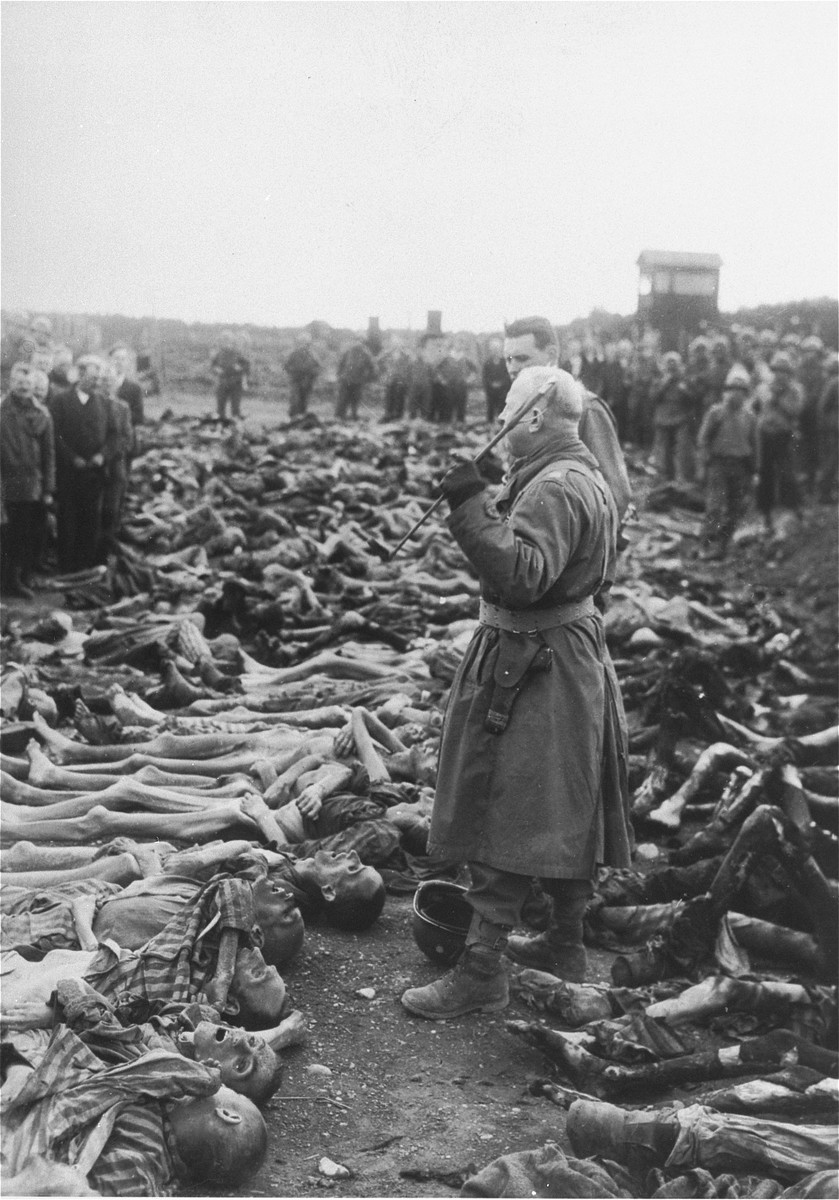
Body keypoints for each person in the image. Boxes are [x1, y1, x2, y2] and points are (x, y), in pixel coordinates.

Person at [400, 366, 632, 1021]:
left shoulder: (554, 488)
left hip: (537, 661)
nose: (497, 423)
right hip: (562, 656)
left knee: (509, 807)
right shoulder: (577, 473)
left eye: (505, 409)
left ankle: (480, 972)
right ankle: (565, 947)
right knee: (566, 803)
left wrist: (469, 503)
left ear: (532, 416)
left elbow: (523, 576)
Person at [500, 316, 632, 522]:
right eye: (508, 359)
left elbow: (616, 496)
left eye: (522, 358)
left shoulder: (586, 408)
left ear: (551, 354)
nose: (512, 368)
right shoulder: (521, 405)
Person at [50, 355, 114, 572]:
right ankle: (66, 569)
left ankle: (84, 568)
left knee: (90, 523)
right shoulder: (60, 401)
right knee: (68, 522)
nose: (96, 383)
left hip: (93, 476)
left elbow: (114, 435)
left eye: (98, 379)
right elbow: (55, 435)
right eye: (92, 377)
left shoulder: (104, 403)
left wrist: (102, 455)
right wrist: (72, 458)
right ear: (79, 375)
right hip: (68, 475)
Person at [0, 363, 55, 598]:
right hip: (6, 485)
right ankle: (7, 581)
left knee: (27, 534)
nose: (23, 387)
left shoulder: (42, 414)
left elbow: (48, 454)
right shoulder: (1, 412)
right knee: (6, 536)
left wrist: (48, 489)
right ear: (11, 383)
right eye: (19, 382)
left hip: (33, 485)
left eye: (28, 383)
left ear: (34, 386)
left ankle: (19, 579)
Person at [696, 365, 758, 560]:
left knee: (735, 508)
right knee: (714, 506)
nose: (735, 395)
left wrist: (755, 471)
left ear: (746, 394)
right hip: (719, 464)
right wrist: (705, 461)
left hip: (740, 466)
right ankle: (706, 545)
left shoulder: (750, 417)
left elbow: (754, 446)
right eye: (732, 390)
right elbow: (703, 439)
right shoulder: (716, 413)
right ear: (726, 391)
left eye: (740, 391)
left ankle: (723, 546)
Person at [755, 350, 805, 533]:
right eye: (777, 370)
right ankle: (766, 514)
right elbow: (756, 408)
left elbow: (796, 411)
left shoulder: (795, 390)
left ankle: (794, 508)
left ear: (789, 373)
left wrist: (779, 400)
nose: (780, 374)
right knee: (765, 473)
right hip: (765, 435)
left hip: (784, 435)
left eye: (784, 371)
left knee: (787, 473)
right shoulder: (763, 388)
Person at [97, 364, 134, 554]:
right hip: (94, 466)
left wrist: (111, 454)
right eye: (103, 380)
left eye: (110, 381)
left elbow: (127, 438)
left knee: (113, 510)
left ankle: (108, 549)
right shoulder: (91, 405)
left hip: (115, 466)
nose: (106, 385)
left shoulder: (122, 407)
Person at [650, 351, 692, 483]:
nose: (672, 366)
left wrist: (684, 390)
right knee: (663, 452)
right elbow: (653, 397)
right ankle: (663, 478)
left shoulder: (685, 380)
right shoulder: (659, 380)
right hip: (663, 419)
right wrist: (665, 383)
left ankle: (680, 478)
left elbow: (692, 398)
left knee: (680, 451)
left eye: (675, 362)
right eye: (669, 362)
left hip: (680, 419)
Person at [210, 331, 250, 421]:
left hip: (236, 384)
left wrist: (240, 368)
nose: (226, 343)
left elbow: (247, 365)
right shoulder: (219, 354)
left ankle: (236, 428)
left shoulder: (238, 353)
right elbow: (213, 365)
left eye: (228, 340)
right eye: (224, 340)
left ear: (232, 341)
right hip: (222, 383)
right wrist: (216, 369)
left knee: (235, 408)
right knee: (220, 408)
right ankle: (221, 428)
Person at [816, 353, 838, 503]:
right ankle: (825, 494)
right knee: (831, 461)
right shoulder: (834, 383)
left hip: (833, 426)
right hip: (835, 427)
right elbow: (823, 406)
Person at [335, 338, 375, 420]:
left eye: (359, 341)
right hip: (346, 380)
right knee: (342, 399)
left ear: (362, 342)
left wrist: (367, 378)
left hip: (358, 381)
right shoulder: (348, 351)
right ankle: (339, 417)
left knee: (355, 400)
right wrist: (339, 375)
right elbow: (340, 363)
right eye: (356, 340)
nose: (357, 343)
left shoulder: (365, 353)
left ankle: (354, 416)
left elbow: (372, 367)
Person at [283, 333, 321, 418]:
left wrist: (311, 376)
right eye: (302, 343)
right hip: (295, 381)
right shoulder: (293, 354)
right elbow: (286, 366)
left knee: (304, 401)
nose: (303, 345)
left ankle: (301, 419)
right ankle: (293, 419)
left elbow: (317, 368)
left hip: (307, 382)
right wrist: (294, 372)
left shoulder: (313, 355)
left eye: (306, 343)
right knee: (295, 401)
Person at [108, 344, 145, 430]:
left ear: (127, 362)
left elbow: (139, 418)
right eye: (116, 358)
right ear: (110, 360)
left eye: (123, 359)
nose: (119, 362)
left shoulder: (135, 388)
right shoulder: (101, 386)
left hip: (125, 436)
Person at [481, 338, 511, 423]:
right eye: (493, 349)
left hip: (503, 388)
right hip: (491, 389)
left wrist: (501, 383)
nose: (495, 351)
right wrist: (491, 384)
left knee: (503, 405)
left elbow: (508, 375)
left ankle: (502, 424)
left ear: (500, 349)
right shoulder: (487, 363)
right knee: (490, 406)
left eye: (497, 349)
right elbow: (485, 376)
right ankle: (490, 424)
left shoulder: (505, 362)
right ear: (490, 350)